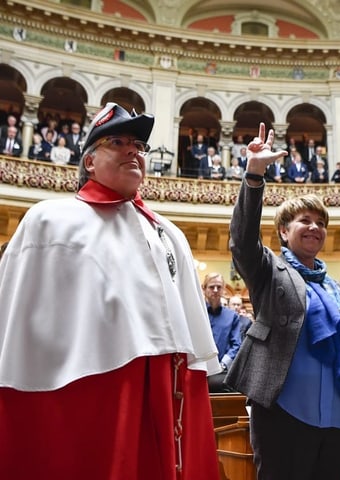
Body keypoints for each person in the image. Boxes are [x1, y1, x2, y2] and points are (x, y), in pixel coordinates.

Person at [0, 102, 220, 479]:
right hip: (84, 393)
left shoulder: (168, 233)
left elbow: (192, 347)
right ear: (89, 161)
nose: (133, 150)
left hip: (164, 391)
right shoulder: (50, 220)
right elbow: (15, 333)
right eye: (117, 142)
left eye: (138, 145)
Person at [227, 123, 340, 480]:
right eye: (303, 221)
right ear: (283, 231)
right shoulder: (270, 270)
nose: (314, 227)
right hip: (284, 415)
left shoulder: (336, 289)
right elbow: (243, 243)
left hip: (339, 421)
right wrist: (254, 175)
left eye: (320, 222)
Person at [202, 272, 242, 393]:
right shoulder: (197, 313)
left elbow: (236, 344)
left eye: (219, 287)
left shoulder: (232, 316)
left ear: (224, 289)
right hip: (199, 369)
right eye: (211, 287)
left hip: (222, 372)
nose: (215, 290)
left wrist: (222, 365)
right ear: (204, 289)